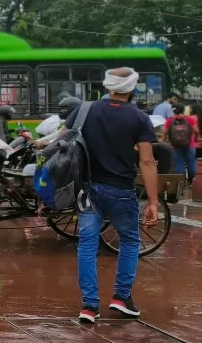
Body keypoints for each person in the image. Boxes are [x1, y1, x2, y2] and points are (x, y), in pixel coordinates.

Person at [70, 67, 159, 324]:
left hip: (87, 189)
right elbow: (147, 161)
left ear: (108, 86)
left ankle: (89, 306)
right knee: (130, 241)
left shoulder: (86, 110)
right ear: (131, 88)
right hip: (121, 189)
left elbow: (65, 141)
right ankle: (121, 298)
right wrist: (153, 202)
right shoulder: (139, 118)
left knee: (87, 244)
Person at [165, 103, 199, 183]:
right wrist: (196, 138)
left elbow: (165, 133)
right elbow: (196, 131)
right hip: (190, 144)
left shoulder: (170, 120)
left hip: (175, 145)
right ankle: (193, 183)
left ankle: (180, 183)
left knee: (178, 163)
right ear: (183, 110)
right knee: (192, 163)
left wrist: (163, 141)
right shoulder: (189, 119)